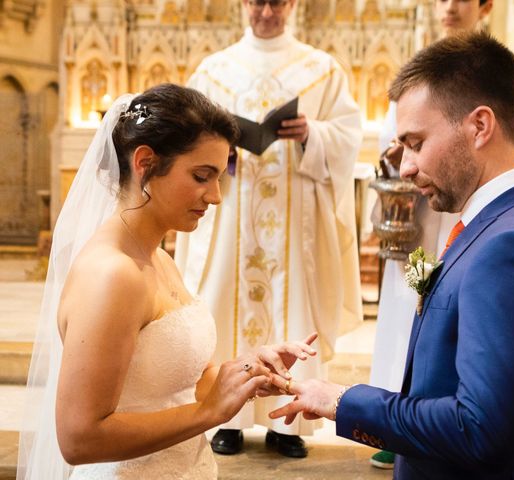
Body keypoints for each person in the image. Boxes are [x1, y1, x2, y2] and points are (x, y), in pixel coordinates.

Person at [269, 32, 514, 479]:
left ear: (480, 126)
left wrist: (344, 402)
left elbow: (479, 430)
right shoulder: (510, 224)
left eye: (417, 143)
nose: (403, 166)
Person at [17, 83, 317, 480]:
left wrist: (247, 373)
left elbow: (179, 379)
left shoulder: (158, 257)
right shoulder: (112, 275)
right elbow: (79, 438)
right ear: (145, 162)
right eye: (201, 176)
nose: (215, 197)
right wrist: (208, 414)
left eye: (219, 177)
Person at [174, 0, 363, 458]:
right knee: (221, 311)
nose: (266, 11)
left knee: (291, 313)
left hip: (294, 234)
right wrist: (219, 153)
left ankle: (288, 423)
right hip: (227, 219)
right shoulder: (213, 72)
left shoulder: (321, 70)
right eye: (257, 1)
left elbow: (348, 136)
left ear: (293, 4)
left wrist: (312, 134)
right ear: (243, 3)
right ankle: (227, 417)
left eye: (277, 1)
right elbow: (184, 136)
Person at [368, 0, 493, 469]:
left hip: (470, 210)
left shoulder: (499, 68)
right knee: (406, 309)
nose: (448, 6)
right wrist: (399, 157)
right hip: (419, 219)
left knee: (458, 310)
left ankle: (439, 414)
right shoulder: (417, 73)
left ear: (485, 6)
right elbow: (394, 137)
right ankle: (393, 416)